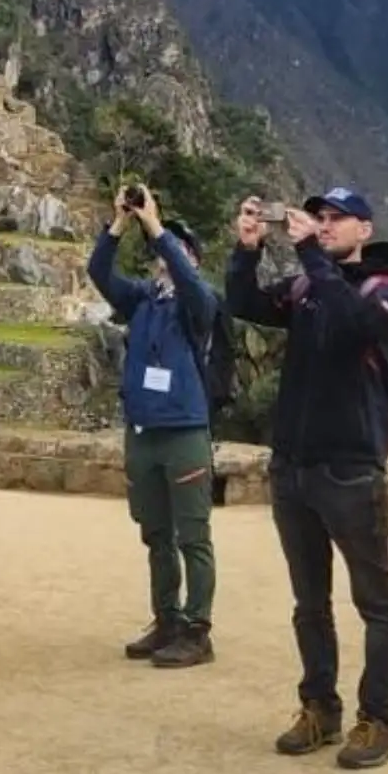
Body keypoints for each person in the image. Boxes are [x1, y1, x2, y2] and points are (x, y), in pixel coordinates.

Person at [227, 188, 388, 770]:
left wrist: (309, 253)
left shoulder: (383, 292)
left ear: (365, 228)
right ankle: (319, 708)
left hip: (350, 468)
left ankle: (378, 719)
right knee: (310, 602)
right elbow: (244, 304)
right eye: (320, 219)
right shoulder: (307, 287)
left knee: (375, 602)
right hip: (295, 466)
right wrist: (247, 251)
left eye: (337, 220)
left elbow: (352, 326)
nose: (325, 226)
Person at [87, 187, 222, 669]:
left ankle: (197, 628)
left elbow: (189, 282)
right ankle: (166, 620)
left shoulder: (199, 304)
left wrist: (160, 229)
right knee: (155, 534)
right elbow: (99, 273)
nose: (168, 255)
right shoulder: (142, 300)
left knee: (193, 535)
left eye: (181, 249)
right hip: (143, 432)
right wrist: (120, 224)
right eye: (165, 248)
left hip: (184, 432)